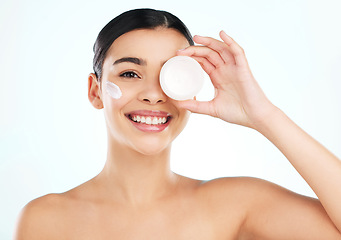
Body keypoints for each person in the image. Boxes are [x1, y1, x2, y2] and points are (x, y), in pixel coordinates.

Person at [14, 8, 341, 239]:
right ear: (95, 91)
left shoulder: (234, 204)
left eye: (170, 74)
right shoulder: (45, 220)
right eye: (130, 73)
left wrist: (263, 114)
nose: (154, 95)